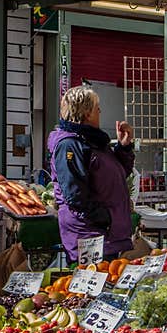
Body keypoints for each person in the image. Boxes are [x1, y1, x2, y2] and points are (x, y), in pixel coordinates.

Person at [47, 85, 135, 263]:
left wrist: (123, 148)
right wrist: (105, 217)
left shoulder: (93, 142)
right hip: (91, 233)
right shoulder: (69, 145)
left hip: (108, 232)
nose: (100, 111)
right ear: (87, 113)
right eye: (97, 108)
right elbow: (75, 194)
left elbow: (116, 175)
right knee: (95, 284)